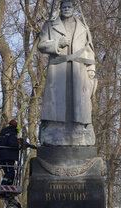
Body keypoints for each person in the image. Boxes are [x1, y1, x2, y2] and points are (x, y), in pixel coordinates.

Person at [38, 0, 97, 146]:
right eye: (64, 7)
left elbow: (89, 50)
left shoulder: (83, 27)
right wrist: (57, 44)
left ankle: (78, 127)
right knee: (57, 99)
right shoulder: (50, 25)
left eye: (69, 7)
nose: (66, 9)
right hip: (59, 67)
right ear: (60, 8)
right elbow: (41, 45)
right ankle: (56, 127)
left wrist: (91, 70)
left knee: (79, 101)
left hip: (78, 69)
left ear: (74, 8)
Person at [0, 119, 20, 185]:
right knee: (9, 172)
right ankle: (4, 185)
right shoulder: (12, 132)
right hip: (7, 157)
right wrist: (19, 145)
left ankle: (8, 185)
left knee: (11, 172)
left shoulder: (4, 131)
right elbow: (12, 143)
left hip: (4, 156)